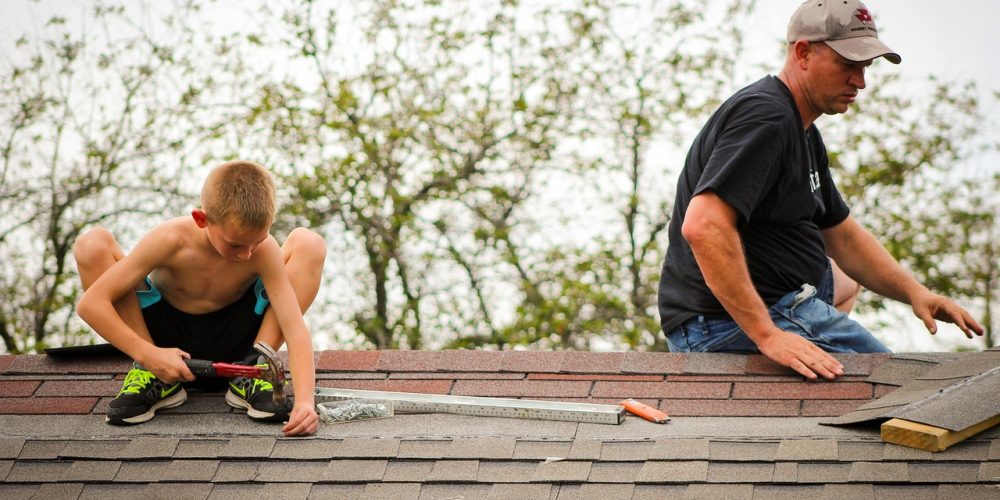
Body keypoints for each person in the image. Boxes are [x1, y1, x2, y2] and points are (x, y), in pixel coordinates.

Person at [657, 0, 983, 380]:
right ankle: (808, 356)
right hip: (716, 325)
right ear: (803, 52)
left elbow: (842, 236)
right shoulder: (767, 118)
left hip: (780, 299)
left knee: (843, 279)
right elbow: (704, 226)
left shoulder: (802, 129)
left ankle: (814, 375)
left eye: (865, 67)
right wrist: (768, 336)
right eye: (848, 65)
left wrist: (916, 293)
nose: (860, 82)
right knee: (898, 386)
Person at [74, 160, 326, 436]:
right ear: (201, 219)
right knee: (92, 244)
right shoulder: (169, 239)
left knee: (308, 242)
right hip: (163, 342)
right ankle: (150, 374)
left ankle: (255, 367)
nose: (247, 254)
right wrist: (148, 354)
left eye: (258, 240)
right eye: (235, 244)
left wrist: (304, 402)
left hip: (240, 340)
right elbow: (91, 304)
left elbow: (295, 329)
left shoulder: (262, 251)